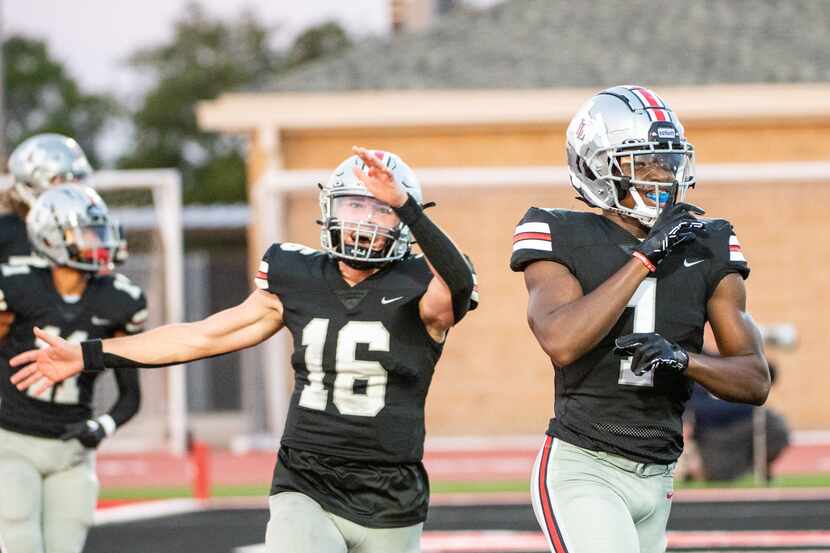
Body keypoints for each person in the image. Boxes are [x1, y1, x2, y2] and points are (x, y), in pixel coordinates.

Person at [10, 146, 477, 553]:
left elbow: (459, 284)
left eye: (381, 210)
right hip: (307, 477)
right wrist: (90, 353)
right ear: (330, 208)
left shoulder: (422, 285)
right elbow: (203, 335)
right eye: (355, 206)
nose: (364, 221)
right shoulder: (296, 274)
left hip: (392, 489)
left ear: (403, 217)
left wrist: (409, 206)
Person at [510, 85, 770, 553]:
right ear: (596, 166)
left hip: (660, 475)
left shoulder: (706, 242)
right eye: (642, 163)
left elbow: (754, 380)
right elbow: (562, 339)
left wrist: (682, 359)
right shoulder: (558, 232)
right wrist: (645, 258)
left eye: (669, 162)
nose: (662, 176)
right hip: (585, 465)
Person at [0, 185, 146, 553]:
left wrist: (101, 426)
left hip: (72, 449)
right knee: (20, 540)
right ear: (52, 236)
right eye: (88, 231)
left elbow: (131, 394)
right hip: (12, 442)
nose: (101, 241)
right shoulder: (15, 285)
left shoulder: (120, 299)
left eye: (100, 231)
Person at [1, 133, 128, 267]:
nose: (74, 188)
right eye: (63, 180)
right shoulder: (6, 231)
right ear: (30, 184)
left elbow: (101, 277)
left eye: (78, 179)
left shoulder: (90, 229)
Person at [688, 360, 789, 482]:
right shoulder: (694, 365)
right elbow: (699, 407)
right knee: (718, 477)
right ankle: (700, 470)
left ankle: (757, 468)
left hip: (744, 423)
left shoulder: (730, 361)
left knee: (776, 425)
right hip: (712, 433)